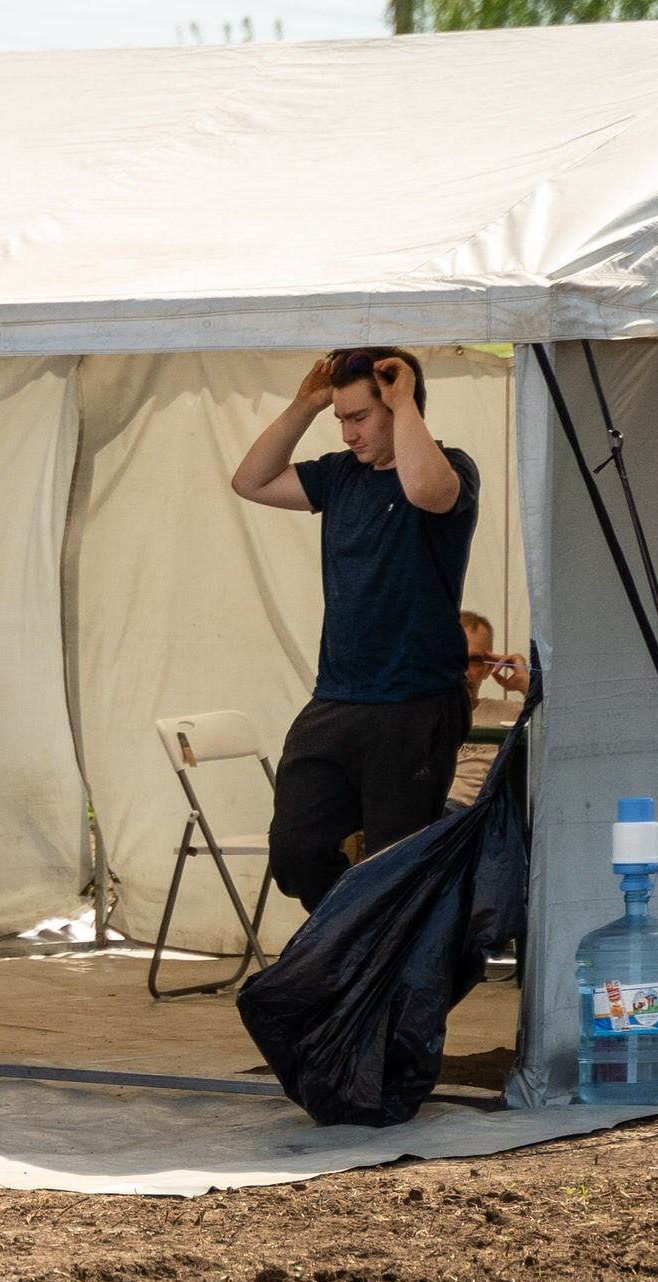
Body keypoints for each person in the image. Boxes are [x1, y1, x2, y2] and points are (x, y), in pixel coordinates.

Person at [231, 347, 482, 910]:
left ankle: (383, 952)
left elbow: (426, 492)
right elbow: (250, 481)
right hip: (338, 697)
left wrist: (405, 400)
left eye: (360, 417)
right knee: (295, 851)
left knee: (395, 867)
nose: (348, 434)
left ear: (398, 405)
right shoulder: (339, 475)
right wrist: (305, 405)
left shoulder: (451, 467)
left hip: (416, 702)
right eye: (340, 419)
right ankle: (352, 936)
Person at [448, 610, 529, 810]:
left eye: (474, 660)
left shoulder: (510, 714)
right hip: (417, 811)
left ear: (488, 668)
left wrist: (525, 683)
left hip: (469, 815)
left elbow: (565, 730)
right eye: (454, 657)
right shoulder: (416, 714)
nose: (464, 670)